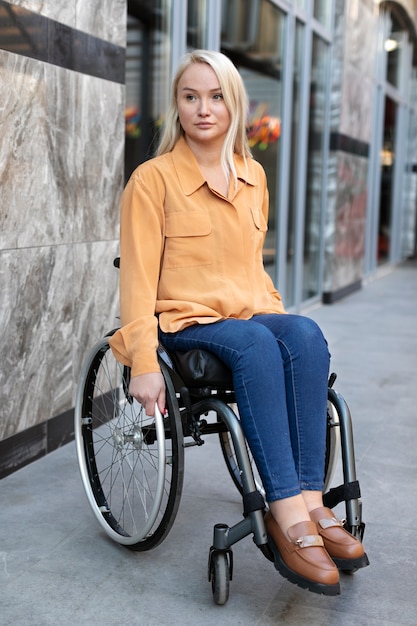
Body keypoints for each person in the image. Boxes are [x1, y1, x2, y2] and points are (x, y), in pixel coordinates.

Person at [109, 49, 368, 595]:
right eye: (190, 97)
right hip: (187, 321)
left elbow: (252, 267)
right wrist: (141, 362)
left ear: (235, 104)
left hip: (247, 313)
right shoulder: (151, 181)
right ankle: (284, 512)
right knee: (254, 342)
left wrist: (284, 323)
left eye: (216, 96)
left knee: (303, 333)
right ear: (176, 107)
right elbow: (135, 279)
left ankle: (313, 504)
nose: (204, 109)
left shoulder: (252, 176)